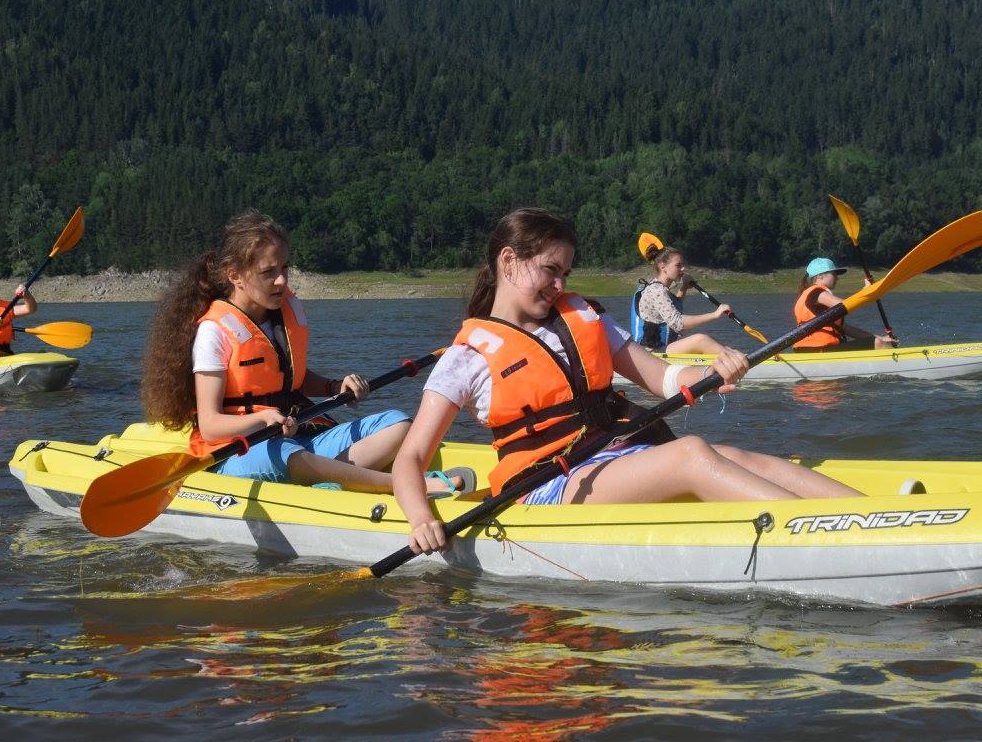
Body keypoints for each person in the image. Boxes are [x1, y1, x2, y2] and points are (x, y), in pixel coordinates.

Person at [393, 208, 866, 559]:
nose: (560, 285)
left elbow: (661, 376)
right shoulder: (466, 357)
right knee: (691, 454)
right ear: (510, 261)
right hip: (543, 486)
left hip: (613, 457)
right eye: (550, 271)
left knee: (736, 456)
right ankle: (832, 542)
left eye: (566, 273)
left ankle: (872, 515)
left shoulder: (583, 318)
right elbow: (411, 458)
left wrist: (710, 374)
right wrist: (421, 518)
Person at [141, 211, 470, 496]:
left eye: (285, 268)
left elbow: (289, 380)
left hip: (296, 437)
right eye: (268, 272)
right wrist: (261, 419)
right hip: (235, 454)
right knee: (284, 452)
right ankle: (404, 485)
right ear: (235, 276)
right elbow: (211, 425)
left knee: (399, 424)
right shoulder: (214, 332)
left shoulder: (280, 317)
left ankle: (326, 479)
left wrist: (332, 387)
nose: (281, 280)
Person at [630, 247, 731, 354]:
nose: (682, 269)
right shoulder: (657, 290)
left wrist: (684, 287)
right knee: (701, 340)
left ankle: (731, 355)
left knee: (713, 341)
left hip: (662, 348)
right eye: (678, 265)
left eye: (682, 265)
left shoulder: (659, 287)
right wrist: (715, 315)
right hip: (652, 353)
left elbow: (675, 304)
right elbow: (678, 323)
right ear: (663, 266)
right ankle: (735, 360)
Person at [792, 258, 897, 351]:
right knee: (877, 345)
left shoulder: (809, 295)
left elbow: (845, 328)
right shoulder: (816, 293)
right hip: (819, 349)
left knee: (877, 341)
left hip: (807, 349)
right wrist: (866, 292)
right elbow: (843, 306)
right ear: (820, 276)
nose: (837, 278)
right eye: (834, 274)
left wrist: (881, 338)